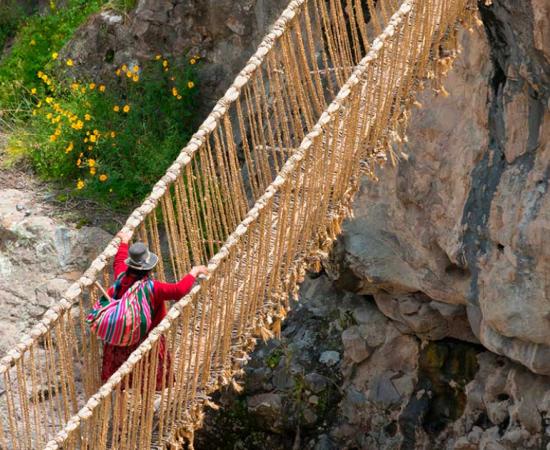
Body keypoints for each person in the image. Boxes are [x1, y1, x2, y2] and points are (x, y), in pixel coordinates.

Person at [100, 230, 208, 389]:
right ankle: (146, 406)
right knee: (147, 376)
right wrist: (194, 271)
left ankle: (121, 399)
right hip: (146, 340)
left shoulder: (121, 276)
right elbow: (179, 291)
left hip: (120, 339)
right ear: (148, 268)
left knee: (122, 376)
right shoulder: (153, 288)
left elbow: (119, 261)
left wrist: (124, 242)